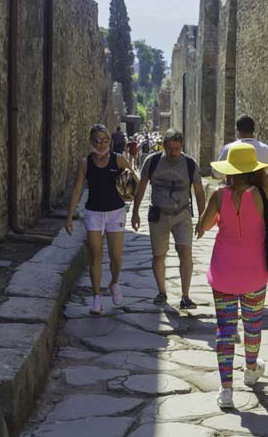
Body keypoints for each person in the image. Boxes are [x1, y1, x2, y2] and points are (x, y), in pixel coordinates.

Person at [196, 142, 268, 409]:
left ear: (229, 171)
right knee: (252, 324)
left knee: (225, 329)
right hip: (254, 274)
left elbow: (203, 226)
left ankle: (226, 390)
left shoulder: (219, 196)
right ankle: (250, 368)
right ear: (254, 171)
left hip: (223, 273)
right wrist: (266, 186)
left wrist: (216, 217)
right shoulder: (259, 194)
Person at [131, 129, 206, 309]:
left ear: (182, 147)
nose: (174, 153)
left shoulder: (189, 164)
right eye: (171, 148)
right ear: (163, 145)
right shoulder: (153, 161)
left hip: (182, 214)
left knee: (185, 253)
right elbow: (141, 187)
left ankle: (185, 296)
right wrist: (134, 212)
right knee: (158, 255)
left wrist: (203, 219)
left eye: (177, 149)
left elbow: (199, 192)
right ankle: (162, 292)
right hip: (159, 214)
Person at [66, 124, 135, 315]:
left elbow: (133, 182)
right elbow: (78, 190)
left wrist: (131, 195)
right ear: (91, 142)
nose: (102, 144)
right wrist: (69, 217)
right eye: (98, 140)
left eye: (106, 141)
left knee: (116, 256)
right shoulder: (85, 163)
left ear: (110, 142)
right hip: (94, 212)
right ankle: (97, 297)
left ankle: (114, 282)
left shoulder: (119, 160)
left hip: (115, 212)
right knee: (95, 253)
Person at [214, 115, 268, 182]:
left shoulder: (227, 149)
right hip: (259, 191)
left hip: (235, 191)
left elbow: (216, 175)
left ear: (237, 130)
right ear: (254, 130)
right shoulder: (266, 149)